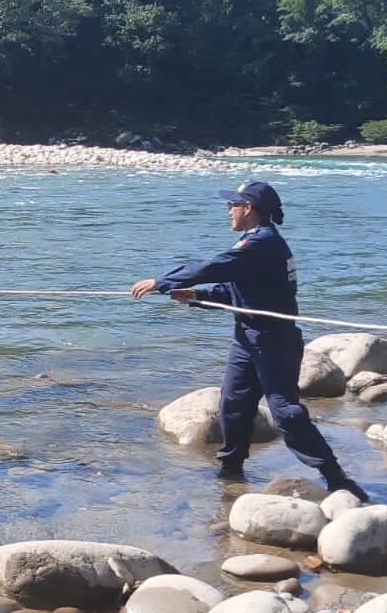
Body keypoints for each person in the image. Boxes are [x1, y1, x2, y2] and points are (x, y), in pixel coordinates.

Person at [130, 180, 369, 501]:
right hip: (247, 339)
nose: (227, 210)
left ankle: (336, 478)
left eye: (233, 205)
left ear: (249, 209)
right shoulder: (255, 242)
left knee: (285, 414)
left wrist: (163, 281)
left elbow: (216, 266)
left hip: (274, 341)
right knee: (233, 403)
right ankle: (231, 471)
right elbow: (239, 290)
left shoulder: (262, 243)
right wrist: (197, 296)